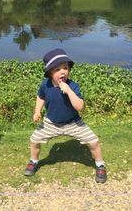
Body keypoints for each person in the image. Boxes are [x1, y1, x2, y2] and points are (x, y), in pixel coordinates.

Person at [24, 48, 107, 183]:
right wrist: (37, 111)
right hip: (51, 122)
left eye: (65, 68)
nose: (63, 71)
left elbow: (80, 107)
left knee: (94, 141)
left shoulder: (73, 86)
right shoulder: (45, 85)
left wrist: (69, 91)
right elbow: (40, 97)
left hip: (73, 122)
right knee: (34, 140)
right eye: (57, 69)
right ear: (50, 73)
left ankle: (100, 164)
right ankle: (33, 161)